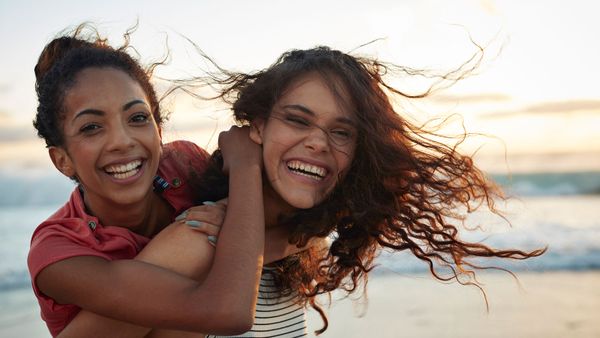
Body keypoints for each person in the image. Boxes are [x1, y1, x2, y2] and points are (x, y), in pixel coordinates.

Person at [27, 24, 274, 337]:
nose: (122, 141)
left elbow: (298, 227)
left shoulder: (184, 165)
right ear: (61, 159)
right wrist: (244, 167)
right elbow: (228, 311)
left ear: (159, 131)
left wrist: (238, 217)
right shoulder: (57, 251)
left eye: (137, 118)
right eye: (91, 127)